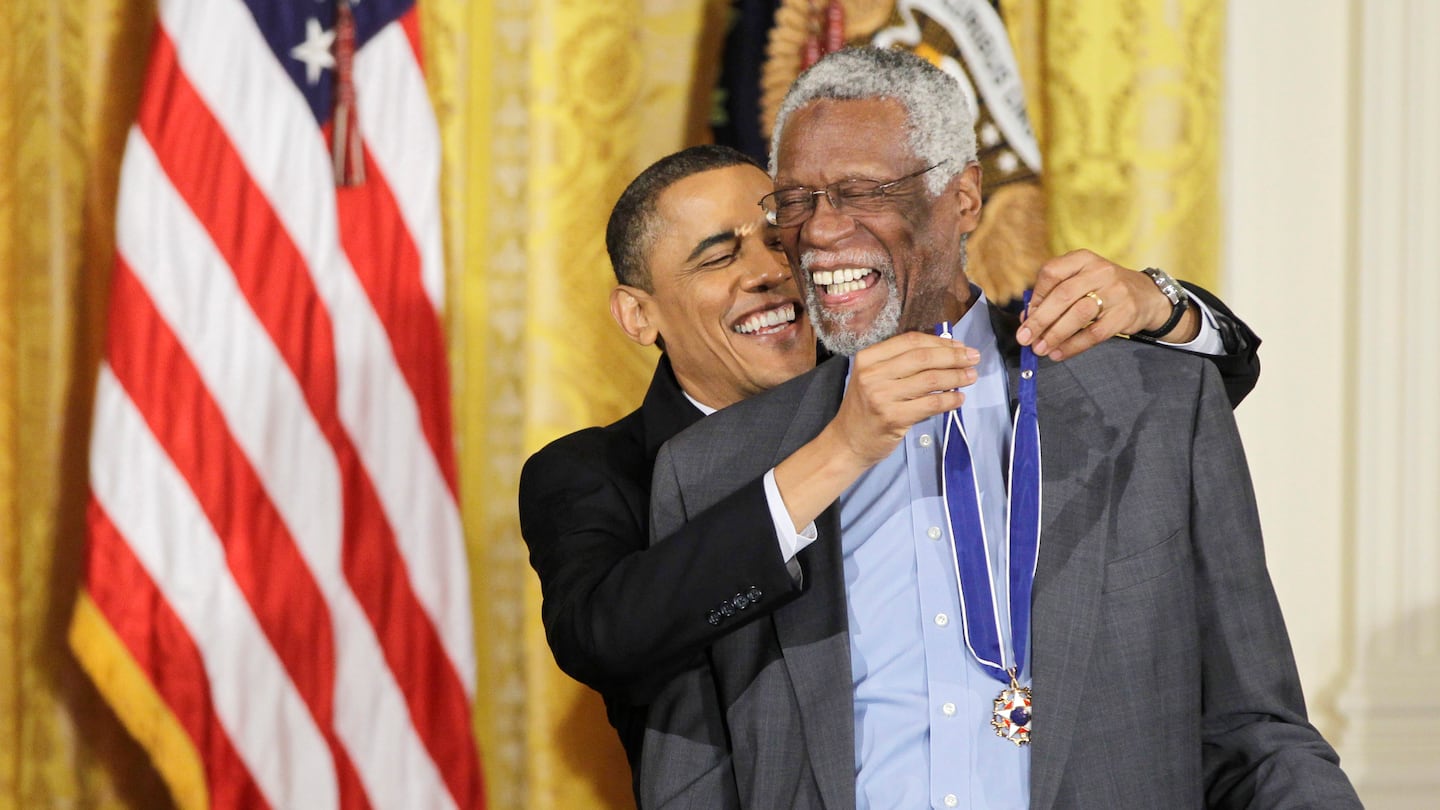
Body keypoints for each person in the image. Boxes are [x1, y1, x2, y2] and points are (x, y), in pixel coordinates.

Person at [639, 47, 1359, 809]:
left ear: (964, 198)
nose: (818, 231)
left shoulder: (1151, 406)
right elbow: (689, 778)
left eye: (859, 192)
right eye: (796, 199)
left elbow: (1256, 730)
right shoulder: (719, 469)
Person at [519, 145, 1259, 799]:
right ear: (637, 315)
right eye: (718, 256)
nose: (771, 272)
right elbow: (605, 634)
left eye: (779, 239)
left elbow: (1177, 396)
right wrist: (840, 450)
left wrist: (1159, 304)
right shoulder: (597, 472)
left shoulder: (892, 367)